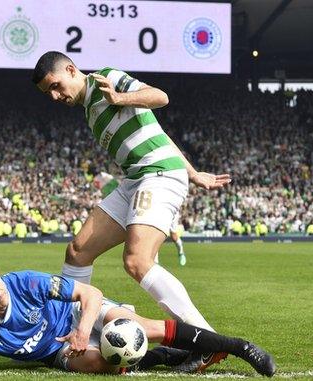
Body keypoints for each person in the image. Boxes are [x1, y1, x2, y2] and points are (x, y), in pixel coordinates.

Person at [32, 51, 231, 369]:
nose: (55, 96)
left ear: (71, 69)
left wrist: (120, 97)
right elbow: (158, 133)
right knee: (78, 251)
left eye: (56, 86)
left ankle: (207, 340)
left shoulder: (106, 79)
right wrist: (194, 173)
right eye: (48, 94)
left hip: (157, 173)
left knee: (137, 261)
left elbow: (160, 97)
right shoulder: (89, 112)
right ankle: (72, 330)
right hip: (136, 178)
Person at [0, 255, 276, 377]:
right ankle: (170, 357)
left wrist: (81, 328)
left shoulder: (25, 282)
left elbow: (88, 293)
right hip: (55, 352)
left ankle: (240, 347)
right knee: (101, 365)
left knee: (140, 328)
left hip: (79, 313)